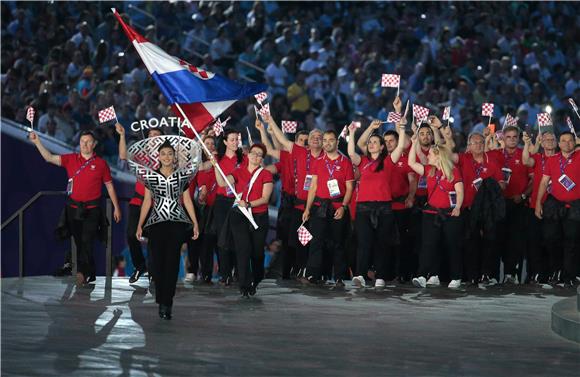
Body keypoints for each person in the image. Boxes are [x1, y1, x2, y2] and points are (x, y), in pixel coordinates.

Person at [29, 129, 121, 286]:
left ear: (94, 144)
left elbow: (110, 186)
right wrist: (37, 141)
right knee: (79, 241)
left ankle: (81, 273)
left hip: (92, 209)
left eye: (88, 141)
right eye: (82, 141)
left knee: (86, 240)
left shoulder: (101, 163)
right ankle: (86, 272)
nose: (84, 144)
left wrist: (116, 207)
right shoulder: (70, 159)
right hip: (73, 208)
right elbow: (49, 158)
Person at [133, 138, 200, 319]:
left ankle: (166, 303)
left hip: (176, 225)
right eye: (163, 154)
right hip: (156, 225)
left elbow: (187, 200)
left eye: (170, 154)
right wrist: (140, 224)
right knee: (156, 263)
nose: (167, 157)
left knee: (171, 263)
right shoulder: (151, 177)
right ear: (159, 157)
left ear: (174, 157)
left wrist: (195, 223)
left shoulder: (181, 177)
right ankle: (160, 297)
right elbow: (147, 201)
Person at [348, 117, 408, 288]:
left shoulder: (388, 161)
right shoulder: (363, 161)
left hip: (384, 208)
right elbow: (351, 153)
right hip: (364, 208)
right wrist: (352, 133)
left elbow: (400, 146)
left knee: (382, 243)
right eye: (370, 142)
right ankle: (360, 274)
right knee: (364, 243)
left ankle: (381, 276)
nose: (372, 144)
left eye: (375, 142)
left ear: (382, 147)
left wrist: (402, 129)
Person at [264, 114, 324, 280]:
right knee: (294, 240)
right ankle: (298, 269)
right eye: (312, 137)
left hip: (318, 205)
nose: (314, 140)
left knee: (315, 241)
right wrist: (270, 121)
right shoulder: (299, 152)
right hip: (299, 206)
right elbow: (282, 140)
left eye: (319, 137)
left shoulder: (326, 155)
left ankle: (308, 271)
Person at [212, 143, 273, 297]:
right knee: (243, 249)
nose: (256, 156)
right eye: (254, 153)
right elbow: (222, 183)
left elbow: (265, 198)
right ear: (248, 155)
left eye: (260, 154)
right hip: (239, 215)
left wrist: (249, 204)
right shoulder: (238, 171)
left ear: (262, 159)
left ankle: (257, 278)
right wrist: (215, 166)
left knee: (257, 252)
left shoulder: (266, 174)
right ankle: (244, 284)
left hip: (258, 216)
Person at [408, 127, 464, 289]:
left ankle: (456, 277)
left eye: (431, 154)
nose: (428, 156)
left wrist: (458, 207)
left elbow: (460, 190)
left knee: (452, 244)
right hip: (431, 212)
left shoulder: (453, 171)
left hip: (450, 213)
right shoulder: (429, 170)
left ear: (438, 155)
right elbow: (412, 163)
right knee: (429, 244)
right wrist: (413, 144)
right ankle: (424, 275)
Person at [257, 119, 309, 279]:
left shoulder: (312, 159)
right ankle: (287, 272)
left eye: (306, 142)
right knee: (285, 239)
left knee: (300, 238)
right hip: (287, 203)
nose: (304, 144)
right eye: (301, 141)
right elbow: (269, 150)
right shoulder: (286, 155)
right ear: (295, 142)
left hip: (303, 203)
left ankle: (299, 269)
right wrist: (263, 130)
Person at [302, 129, 354, 286]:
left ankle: (339, 277)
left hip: (338, 206)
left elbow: (350, 188)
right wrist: (307, 208)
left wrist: (344, 207)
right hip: (320, 206)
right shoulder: (318, 161)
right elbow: (313, 187)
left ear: (337, 142)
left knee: (338, 243)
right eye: (325, 140)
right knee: (316, 241)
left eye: (331, 140)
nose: (327, 143)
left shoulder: (345, 162)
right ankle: (313, 275)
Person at [454, 131, 505, 285]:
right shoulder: (463, 158)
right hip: (468, 208)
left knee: (489, 243)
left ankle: (486, 274)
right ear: (469, 145)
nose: (478, 145)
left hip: (487, 210)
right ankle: (471, 275)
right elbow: (446, 156)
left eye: (481, 143)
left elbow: (502, 184)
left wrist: (490, 185)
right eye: (475, 142)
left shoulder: (492, 162)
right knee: (470, 243)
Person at [118, 127, 164, 284]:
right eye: (151, 135)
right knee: (131, 234)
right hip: (138, 201)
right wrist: (122, 135)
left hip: (158, 203)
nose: (153, 137)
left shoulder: (168, 157)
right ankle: (140, 266)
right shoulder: (141, 155)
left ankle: (153, 272)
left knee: (154, 238)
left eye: (157, 135)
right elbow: (123, 156)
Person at [487, 125, 532, 284]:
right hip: (497, 205)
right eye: (508, 137)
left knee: (514, 240)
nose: (512, 140)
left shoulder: (525, 155)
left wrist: (523, 195)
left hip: (517, 203)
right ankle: (492, 275)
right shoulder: (493, 154)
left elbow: (534, 179)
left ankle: (510, 274)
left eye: (515, 137)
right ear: (503, 139)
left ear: (518, 139)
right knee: (495, 239)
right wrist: (487, 137)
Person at [534, 132, 580, 287]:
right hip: (555, 204)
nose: (567, 143)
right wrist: (539, 203)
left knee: (571, 241)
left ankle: (569, 275)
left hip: (575, 205)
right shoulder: (553, 160)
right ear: (558, 144)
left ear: (575, 142)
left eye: (570, 141)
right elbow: (543, 182)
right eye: (564, 141)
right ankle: (557, 270)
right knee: (550, 238)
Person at [522, 131, 556, 284]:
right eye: (546, 139)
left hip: (556, 208)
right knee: (534, 241)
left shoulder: (561, 158)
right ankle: (534, 273)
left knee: (551, 241)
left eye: (552, 139)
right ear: (541, 143)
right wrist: (527, 144)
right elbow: (525, 161)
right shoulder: (538, 158)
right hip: (535, 205)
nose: (549, 141)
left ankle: (550, 273)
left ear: (557, 142)